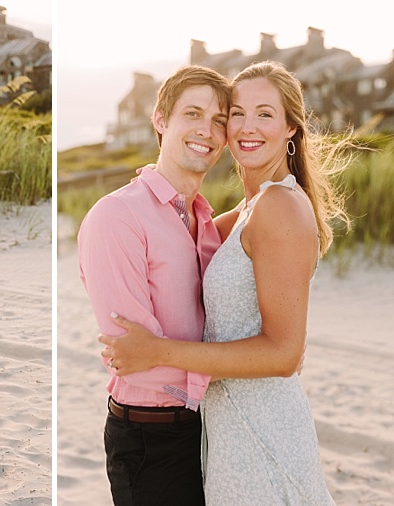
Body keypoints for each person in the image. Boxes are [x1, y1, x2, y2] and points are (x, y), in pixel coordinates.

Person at [98, 61, 352, 505]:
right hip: (223, 426)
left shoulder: (280, 207)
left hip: (261, 428)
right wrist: (151, 184)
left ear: (291, 127)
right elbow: (174, 238)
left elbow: (285, 354)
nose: (246, 127)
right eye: (236, 113)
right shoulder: (248, 210)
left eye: (265, 114)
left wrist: (158, 352)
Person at [77, 65, 231, 505]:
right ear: (161, 120)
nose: (207, 129)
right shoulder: (117, 216)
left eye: (219, 120)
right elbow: (136, 356)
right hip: (150, 439)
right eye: (193, 114)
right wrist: (253, 364)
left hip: (204, 426)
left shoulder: (202, 217)